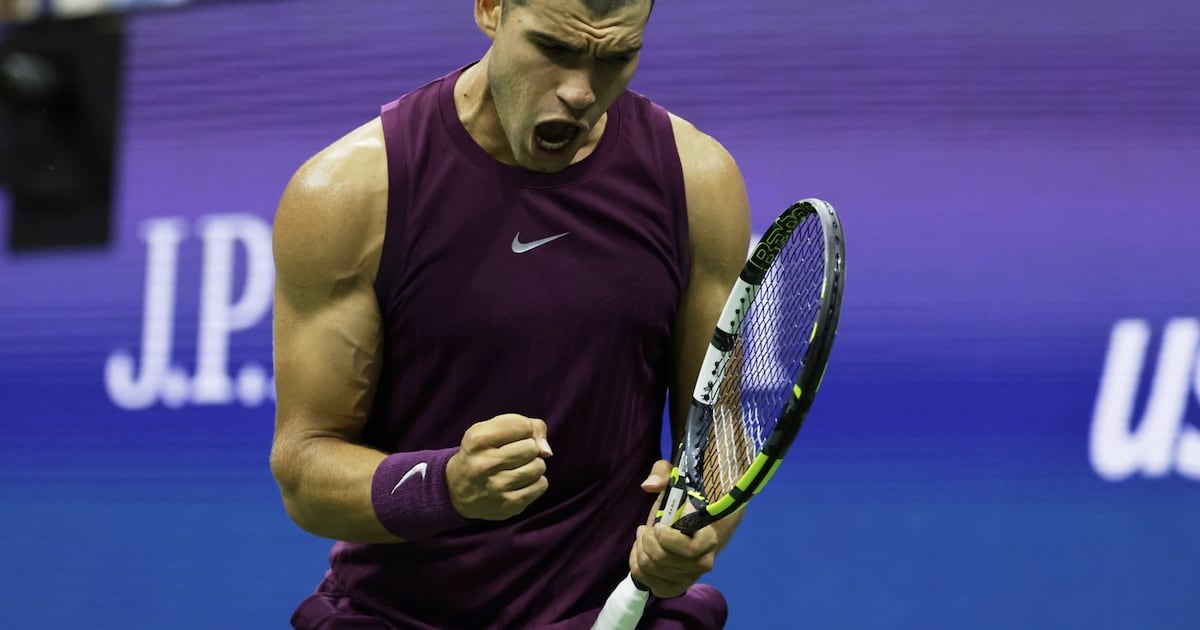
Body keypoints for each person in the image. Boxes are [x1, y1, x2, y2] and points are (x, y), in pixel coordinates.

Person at [269, 0, 751, 627]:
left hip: (609, 612)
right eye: (552, 48)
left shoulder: (697, 183)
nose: (580, 91)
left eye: (615, 58)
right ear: (491, 9)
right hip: (396, 616)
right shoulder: (349, 194)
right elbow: (304, 472)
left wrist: (691, 533)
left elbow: (718, 437)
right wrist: (445, 487)